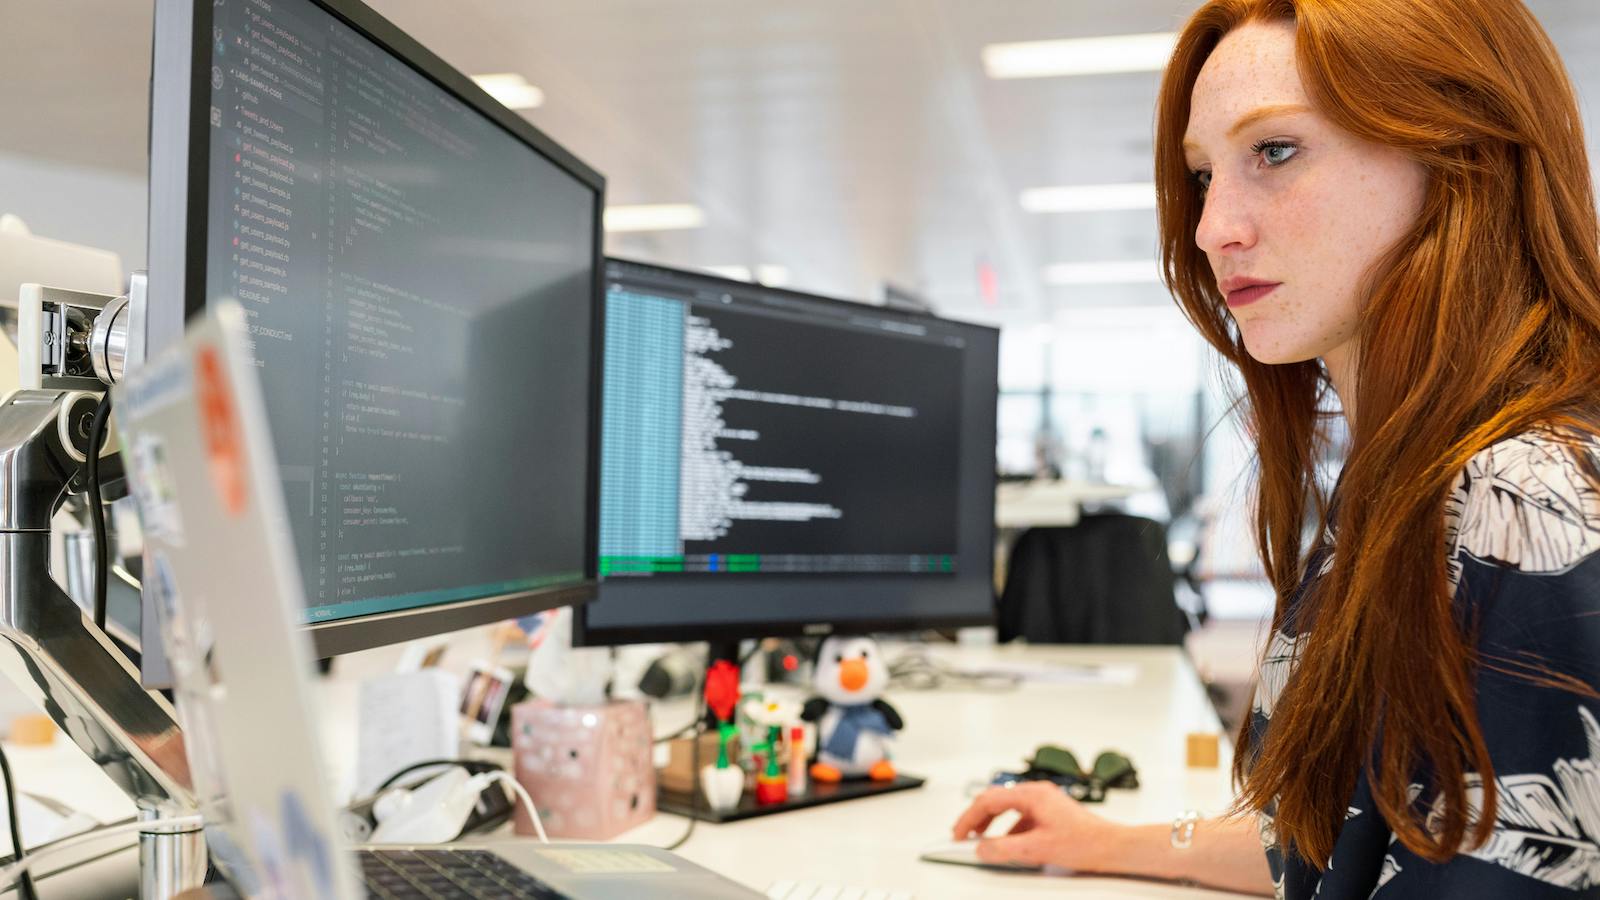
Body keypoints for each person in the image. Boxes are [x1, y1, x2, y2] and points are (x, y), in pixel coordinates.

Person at [951, 0, 1600, 896]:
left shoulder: (1519, 501)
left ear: (1463, 155)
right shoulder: (1410, 480)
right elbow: (1348, 842)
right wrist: (1106, 840)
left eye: (1276, 152)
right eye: (1204, 173)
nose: (1212, 226)